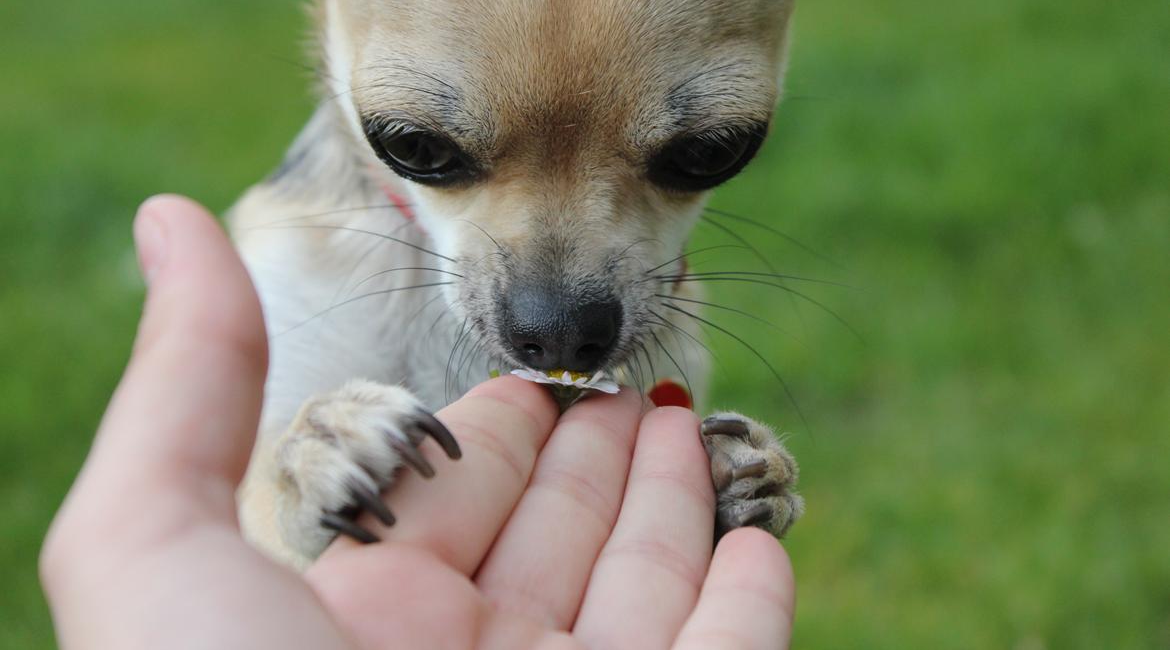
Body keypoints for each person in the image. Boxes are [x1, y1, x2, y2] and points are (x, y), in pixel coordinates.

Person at [40, 195, 795, 649]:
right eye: (429, 147)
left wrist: (703, 495)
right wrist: (295, 473)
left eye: (696, 153)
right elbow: (247, 514)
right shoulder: (297, 246)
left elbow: (610, 525)